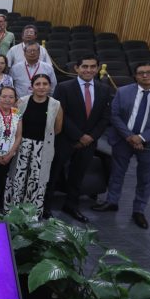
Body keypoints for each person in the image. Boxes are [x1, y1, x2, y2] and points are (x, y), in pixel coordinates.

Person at [93, 62, 150, 229]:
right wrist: (130, 137)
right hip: (123, 140)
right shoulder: (123, 91)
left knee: (145, 179)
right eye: (141, 72)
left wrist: (142, 137)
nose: (145, 75)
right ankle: (112, 201)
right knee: (117, 173)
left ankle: (139, 210)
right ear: (135, 75)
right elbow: (114, 115)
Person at [48, 55, 111, 223]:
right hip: (65, 140)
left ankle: (71, 205)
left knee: (78, 176)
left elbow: (105, 117)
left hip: (89, 142)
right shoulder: (64, 87)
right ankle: (45, 208)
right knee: (53, 174)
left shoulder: (104, 89)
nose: (88, 70)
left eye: (92, 67)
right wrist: (79, 135)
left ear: (97, 68)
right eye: (85, 66)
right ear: (76, 68)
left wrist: (90, 137)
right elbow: (61, 114)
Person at [4, 74, 63, 217]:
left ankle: (32, 215)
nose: (41, 87)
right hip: (22, 145)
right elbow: (14, 122)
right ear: (32, 86)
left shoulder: (56, 105)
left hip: (42, 148)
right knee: (17, 178)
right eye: (38, 84)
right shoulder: (22, 101)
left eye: (45, 84)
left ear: (50, 86)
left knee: (36, 181)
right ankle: (13, 212)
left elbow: (57, 129)